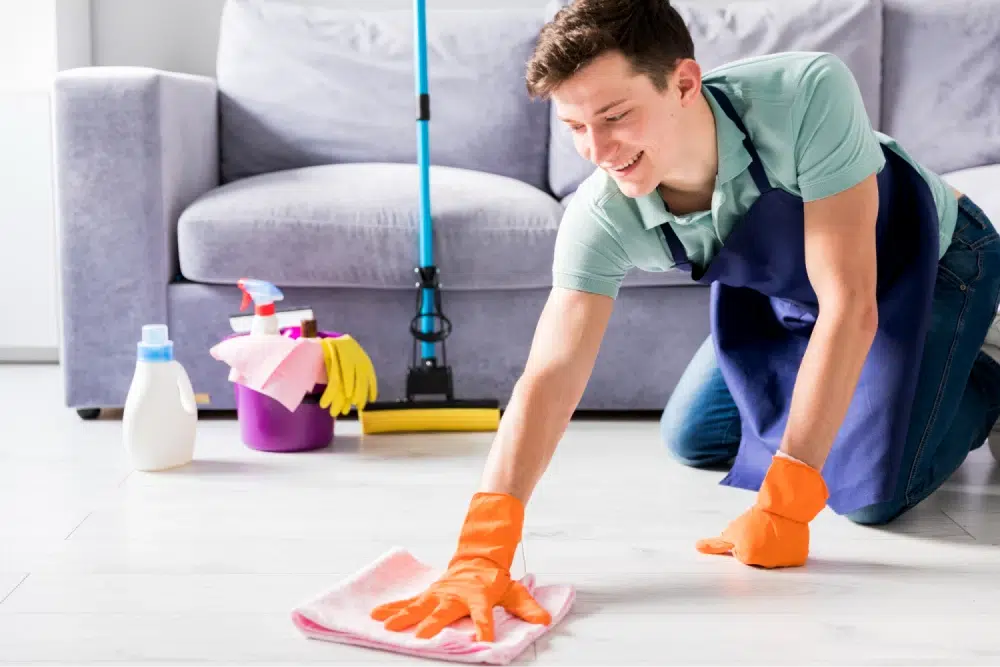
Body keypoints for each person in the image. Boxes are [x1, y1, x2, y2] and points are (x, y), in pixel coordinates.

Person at [370, 0, 1000, 643]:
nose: (600, 150)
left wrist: (785, 502)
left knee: (869, 500)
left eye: (616, 117)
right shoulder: (601, 215)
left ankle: (985, 375)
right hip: (791, 296)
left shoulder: (807, 93)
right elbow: (551, 373)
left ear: (684, 83)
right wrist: (482, 549)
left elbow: (852, 306)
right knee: (694, 438)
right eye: (575, 127)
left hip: (929, 263)